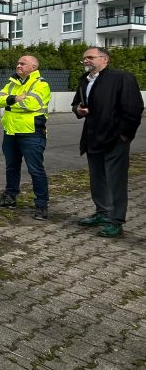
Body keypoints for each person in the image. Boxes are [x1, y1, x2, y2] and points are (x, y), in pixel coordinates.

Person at [72, 47, 143, 237]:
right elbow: (76, 103)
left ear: (105, 59)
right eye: (84, 58)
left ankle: (116, 221)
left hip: (115, 139)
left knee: (116, 182)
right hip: (92, 138)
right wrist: (78, 110)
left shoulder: (121, 78)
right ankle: (102, 213)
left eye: (90, 57)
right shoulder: (84, 80)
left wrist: (124, 136)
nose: (86, 61)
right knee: (97, 179)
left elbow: (134, 108)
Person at [0, 55, 51, 220]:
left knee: (35, 170)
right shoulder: (12, 83)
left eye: (22, 63)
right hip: (10, 132)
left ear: (33, 66)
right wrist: (15, 99)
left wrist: (9, 103)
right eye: (17, 63)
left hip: (31, 133)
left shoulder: (41, 84)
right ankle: (10, 198)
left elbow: (31, 104)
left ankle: (41, 205)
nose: (18, 65)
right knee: (11, 168)